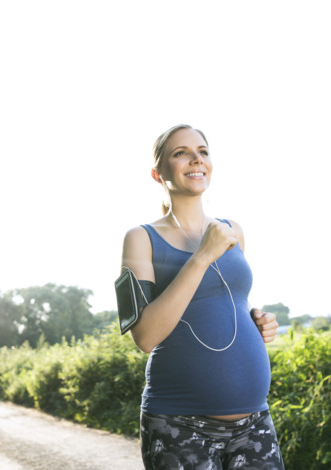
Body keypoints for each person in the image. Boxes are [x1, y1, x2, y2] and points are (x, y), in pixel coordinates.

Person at [119, 124, 285, 469]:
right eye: (181, 153)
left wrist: (259, 322)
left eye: (203, 151)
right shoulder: (140, 238)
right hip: (179, 424)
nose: (196, 159)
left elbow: (226, 301)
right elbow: (145, 337)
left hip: (254, 423)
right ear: (157, 172)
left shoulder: (232, 230)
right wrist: (202, 256)